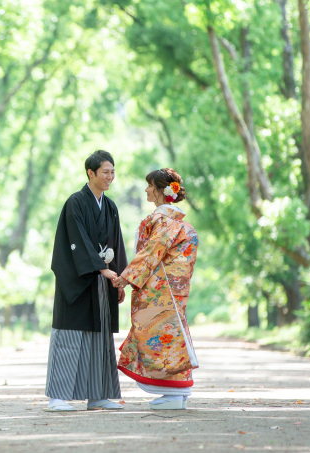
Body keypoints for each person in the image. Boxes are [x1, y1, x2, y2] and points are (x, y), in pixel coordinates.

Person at [107, 168, 199, 410]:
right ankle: (176, 394)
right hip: (171, 289)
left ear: (161, 191)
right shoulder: (177, 223)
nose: (147, 189)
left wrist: (126, 278)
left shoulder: (163, 220)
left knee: (158, 335)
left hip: (161, 290)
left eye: (150, 186)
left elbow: (151, 253)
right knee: (171, 336)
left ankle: (172, 393)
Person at [44, 150, 128, 412]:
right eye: (105, 172)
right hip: (77, 281)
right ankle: (57, 396)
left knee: (100, 338)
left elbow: (116, 244)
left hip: (103, 282)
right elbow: (75, 241)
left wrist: (120, 278)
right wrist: (101, 269)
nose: (110, 177)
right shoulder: (76, 203)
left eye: (112, 172)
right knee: (70, 336)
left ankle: (98, 395)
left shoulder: (110, 206)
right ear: (90, 173)